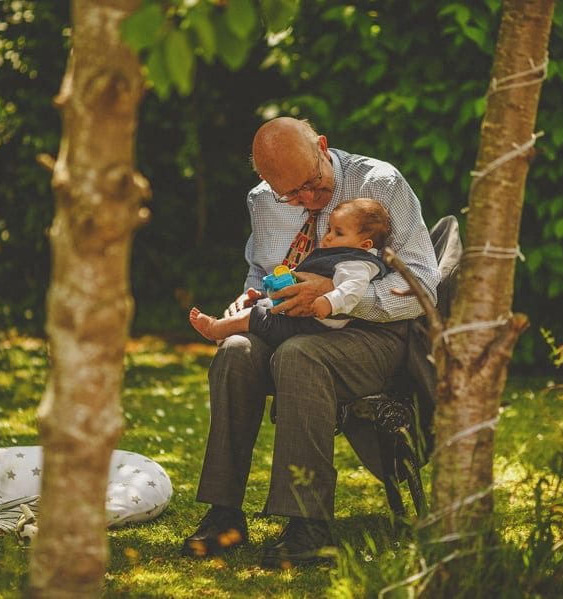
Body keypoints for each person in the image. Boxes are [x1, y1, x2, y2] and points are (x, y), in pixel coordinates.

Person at [180, 117, 441, 569]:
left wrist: (333, 298)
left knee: (300, 357)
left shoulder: (380, 182)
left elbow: (421, 286)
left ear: (322, 146)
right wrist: (251, 295)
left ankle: (309, 526)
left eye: (312, 186)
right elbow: (262, 271)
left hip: (374, 333)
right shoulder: (262, 201)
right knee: (236, 352)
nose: (306, 201)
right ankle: (223, 513)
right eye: (291, 196)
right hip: (293, 322)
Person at [188, 197, 391, 346]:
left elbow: (352, 289)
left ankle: (214, 329)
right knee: (259, 307)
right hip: (304, 316)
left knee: (253, 318)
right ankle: (248, 309)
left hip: (314, 324)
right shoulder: (344, 254)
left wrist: (329, 302)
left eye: (338, 233)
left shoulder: (357, 263)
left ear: (365, 244)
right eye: (329, 229)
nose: (328, 237)